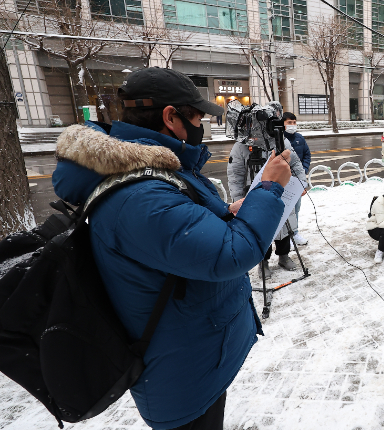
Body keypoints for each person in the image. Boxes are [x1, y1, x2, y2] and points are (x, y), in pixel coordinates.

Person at [51, 67, 293, 430]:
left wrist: (226, 213)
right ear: (170, 116)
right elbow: (230, 255)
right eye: (196, 116)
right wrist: (270, 188)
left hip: (200, 353)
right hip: (182, 377)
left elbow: (183, 237)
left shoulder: (158, 170)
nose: (201, 125)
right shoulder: (140, 196)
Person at [227, 104, 307, 279]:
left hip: (281, 191)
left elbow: (295, 163)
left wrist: (302, 183)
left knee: (284, 225)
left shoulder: (281, 141)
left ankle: (284, 256)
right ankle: (263, 262)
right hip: (254, 194)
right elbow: (235, 175)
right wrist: (238, 199)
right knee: (261, 230)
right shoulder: (240, 146)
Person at [283, 111, 311, 246]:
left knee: (296, 208)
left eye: (294, 122)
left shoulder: (300, 138)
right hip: (282, 180)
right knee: (285, 210)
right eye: (289, 122)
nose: (292, 125)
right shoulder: (279, 139)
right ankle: (285, 238)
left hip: (296, 180)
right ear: (282, 124)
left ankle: (295, 233)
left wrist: (303, 170)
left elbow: (307, 155)